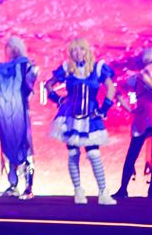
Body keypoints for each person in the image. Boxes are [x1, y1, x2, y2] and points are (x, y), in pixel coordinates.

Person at [46, 37, 116, 205]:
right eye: (74, 50)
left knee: (93, 154)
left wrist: (104, 108)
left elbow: (111, 88)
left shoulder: (97, 68)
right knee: (73, 153)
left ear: (87, 50)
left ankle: (103, 192)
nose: (78, 53)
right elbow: (48, 85)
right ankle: (78, 191)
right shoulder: (67, 68)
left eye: (81, 49)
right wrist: (58, 99)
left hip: (90, 115)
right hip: (70, 115)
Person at [0, 37, 38, 199]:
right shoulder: (4, 70)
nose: (11, 50)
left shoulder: (26, 66)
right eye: (9, 47)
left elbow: (28, 86)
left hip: (19, 113)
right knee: (8, 147)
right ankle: (13, 185)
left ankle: (28, 187)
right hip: (5, 115)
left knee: (25, 146)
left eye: (13, 47)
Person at [112, 48, 152, 199]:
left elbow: (117, 92)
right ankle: (125, 189)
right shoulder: (136, 78)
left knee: (132, 155)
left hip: (142, 119)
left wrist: (130, 109)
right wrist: (129, 109)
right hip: (143, 119)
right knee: (132, 155)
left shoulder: (136, 78)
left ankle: (124, 189)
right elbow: (117, 92)